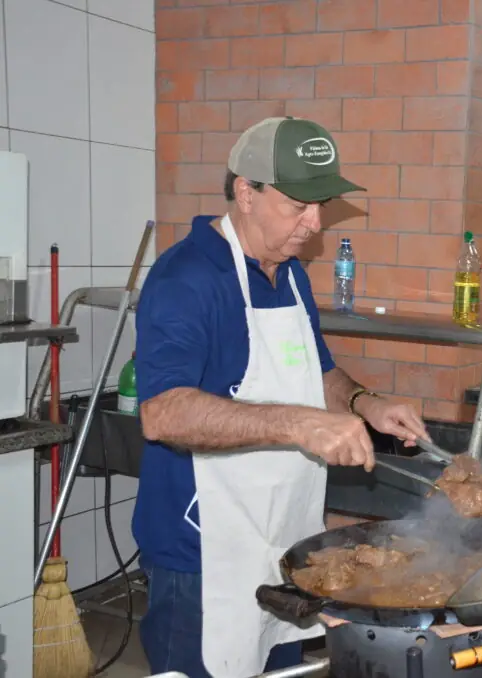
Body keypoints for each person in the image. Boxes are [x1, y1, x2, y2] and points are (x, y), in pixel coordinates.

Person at [132, 116, 431, 678]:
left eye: (323, 206)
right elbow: (162, 412)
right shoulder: (186, 278)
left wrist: (365, 403)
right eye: (299, 206)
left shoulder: (290, 273)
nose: (314, 225)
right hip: (203, 552)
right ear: (246, 193)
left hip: (287, 542)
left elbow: (316, 371)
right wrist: (300, 425)